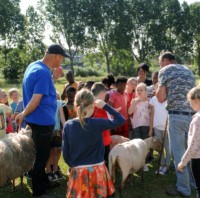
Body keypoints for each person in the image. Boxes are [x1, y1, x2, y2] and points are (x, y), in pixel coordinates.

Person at [15, 44, 68, 197]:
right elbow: (36, 99)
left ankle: (43, 182)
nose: (62, 61)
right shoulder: (43, 73)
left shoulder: (34, 66)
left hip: (36, 119)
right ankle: (39, 192)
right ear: (57, 56)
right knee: (42, 157)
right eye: (62, 57)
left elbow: (39, 90)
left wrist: (54, 78)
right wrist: (23, 113)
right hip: (42, 121)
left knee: (41, 154)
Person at [62, 89, 125, 198]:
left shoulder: (68, 125)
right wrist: (105, 106)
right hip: (97, 171)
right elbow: (121, 120)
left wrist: (74, 165)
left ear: (76, 107)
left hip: (78, 171)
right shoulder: (97, 123)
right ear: (92, 106)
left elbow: (65, 153)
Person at [156, 51, 195, 197]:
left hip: (176, 117)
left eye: (160, 62)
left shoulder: (164, 71)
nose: (160, 65)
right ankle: (192, 182)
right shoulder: (188, 70)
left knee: (179, 153)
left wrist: (156, 91)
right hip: (192, 116)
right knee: (190, 151)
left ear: (166, 60)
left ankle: (183, 189)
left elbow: (160, 98)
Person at [149, 88, 170, 175]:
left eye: (160, 95)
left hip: (167, 128)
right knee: (160, 147)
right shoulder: (153, 100)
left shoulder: (169, 100)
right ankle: (161, 164)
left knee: (167, 148)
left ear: (165, 94)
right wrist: (150, 129)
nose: (158, 98)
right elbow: (152, 114)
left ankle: (167, 165)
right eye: (157, 95)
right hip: (157, 127)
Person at [91, 82, 111, 166]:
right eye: (105, 93)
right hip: (103, 141)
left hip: (92, 141)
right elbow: (108, 124)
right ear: (102, 93)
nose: (105, 96)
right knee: (103, 164)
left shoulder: (88, 105)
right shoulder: (101, 107)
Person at [46, 92, 64, 182]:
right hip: (47, 130)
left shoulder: (59, 103)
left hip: (56, 130)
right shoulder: (44, 103)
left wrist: (65, 128)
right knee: (49, 151)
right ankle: (48, 171)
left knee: (56, 150)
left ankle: (56, 170)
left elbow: (62, 118)